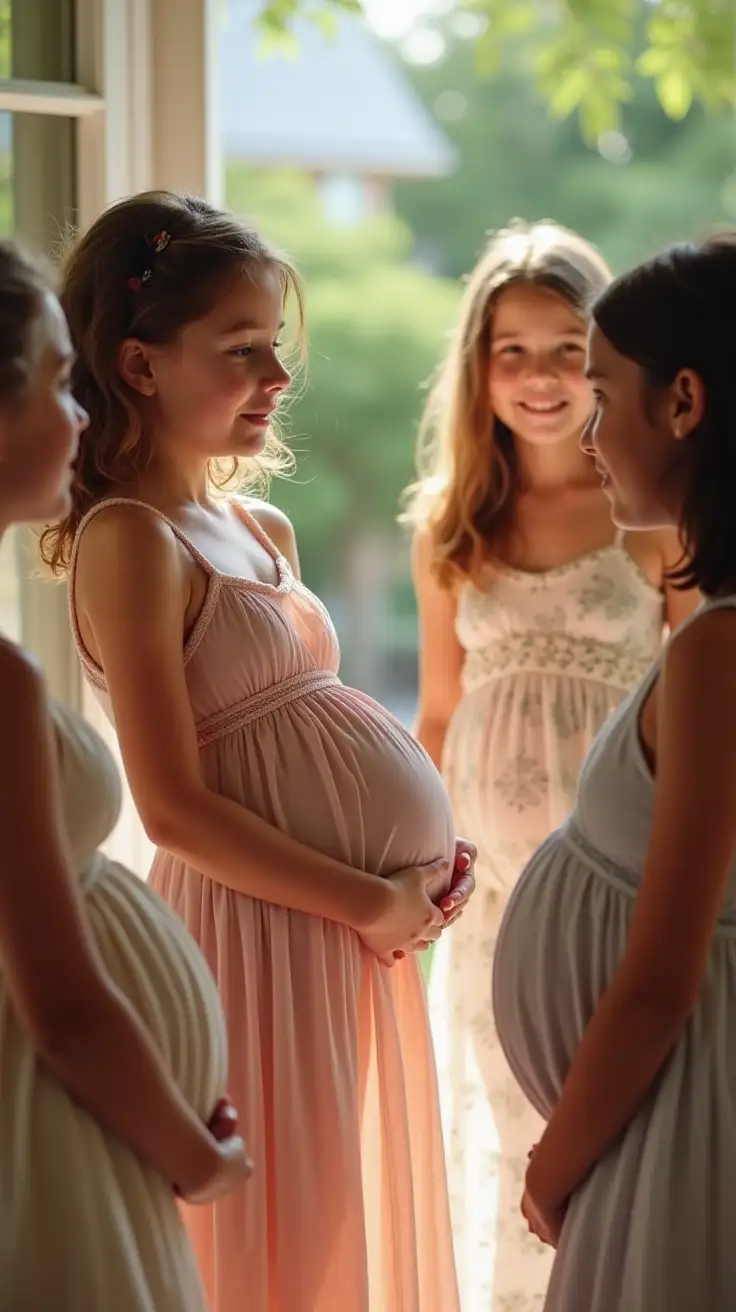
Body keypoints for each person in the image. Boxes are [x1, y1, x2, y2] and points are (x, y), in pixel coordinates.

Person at [44, 190, 476, 1312]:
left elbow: (315, 738)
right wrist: (368, 897)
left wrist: (417, 867)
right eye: (241, 351)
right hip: (251, 936)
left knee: (341, 1222)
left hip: (336, 936)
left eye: (274, 347)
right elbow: (174, 805)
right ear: (140, 367)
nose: (277, 378)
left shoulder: (259, 527)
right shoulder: (126, 539)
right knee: (281, 1250)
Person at [402, 219, 700, 1311]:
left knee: (598, 1114)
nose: (539, 376)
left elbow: (691, 690)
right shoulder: (449, 523)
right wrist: (409, 874)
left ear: (607, 364)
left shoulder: (648, 515)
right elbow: (438, 711)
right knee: (498, 1116)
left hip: (609, 867)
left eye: (568, 348)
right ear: (477, 365)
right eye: (510, 349)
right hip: (487, 890)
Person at [0, 241, 251, 1311]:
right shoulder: (2, 681)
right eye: (60, 383)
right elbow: (63, 1007)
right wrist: (196, 1159)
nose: (85, 415)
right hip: (50, 1125)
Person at [493, 230, 736, 1309]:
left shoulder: (720, 650)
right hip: (663, 1103)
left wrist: (556, 1160)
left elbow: (656, 980)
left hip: (675, 1107)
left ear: (682, 402)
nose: (587, 434)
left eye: (600, 391)